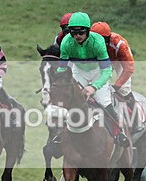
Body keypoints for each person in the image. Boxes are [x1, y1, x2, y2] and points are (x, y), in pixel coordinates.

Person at [57, 11, 129, 147]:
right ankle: (59, 135)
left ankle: (120, 132)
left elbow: (107, 70)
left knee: (104, 102)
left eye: (81, 32)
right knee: (69, 100)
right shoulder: (66, 42)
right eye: (73, 33)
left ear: (88, 31)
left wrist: (94, 86)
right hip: (79, 71)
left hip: (98, 71)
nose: (77, 36)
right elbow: (62, 68)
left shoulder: (98, 42)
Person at [90, 21, 140, 133]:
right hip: (103, 62)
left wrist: (117, 86)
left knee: (124, 89)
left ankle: (136, 120)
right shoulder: (89, 44)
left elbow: (129, 68)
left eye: (101, 40)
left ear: (108, 39)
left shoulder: (120, 44)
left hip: (120, 61)